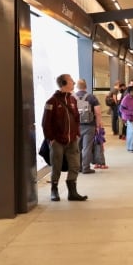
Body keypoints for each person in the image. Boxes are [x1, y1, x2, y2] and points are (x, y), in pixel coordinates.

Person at [41, 73, 87, 201]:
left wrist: (77, 134)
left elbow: (77, 118)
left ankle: (72, 192)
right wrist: (51, 139)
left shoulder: (72, 100)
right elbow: (45, 123)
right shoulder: (52, 101)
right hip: (57, 141)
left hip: (72, 140)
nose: (73, 83)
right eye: (71, 81)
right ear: (64, 84)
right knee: (56, 165)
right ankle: (54, 190)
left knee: (75, 165)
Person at [74, 78, 102, 174]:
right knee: (87, 147)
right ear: (86, 86)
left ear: (77, 87)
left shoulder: (73, 97)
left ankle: (78, 167)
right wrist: (98, 126)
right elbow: (98, 113)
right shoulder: (91, 97)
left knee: (77, 148)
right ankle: (85, 168)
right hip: (89, 126)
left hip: (76, 126)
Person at [119, 85, 133, 152]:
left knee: (130, 133)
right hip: (129, 118)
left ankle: (130, 147)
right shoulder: (126, 99)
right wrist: (131, 113)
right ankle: (132, 147)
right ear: (129, 92)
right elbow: (121, 109)